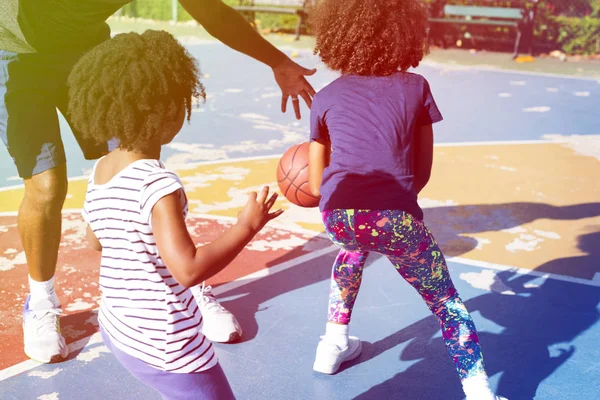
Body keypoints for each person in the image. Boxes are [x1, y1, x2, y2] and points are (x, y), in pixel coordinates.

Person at [0, 0, 315, 363]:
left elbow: (211, 12)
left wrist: (278, 61)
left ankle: (188, 285)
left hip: (84, 51)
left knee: (137, 157)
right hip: (17, 57)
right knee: (46, 186)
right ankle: (41, 301)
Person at [306, 1, 507, 399]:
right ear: (407, 33)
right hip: (394, 215)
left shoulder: (325, 96)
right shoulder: (416, 88)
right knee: (447, 303)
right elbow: (421, 172)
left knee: (352, 249)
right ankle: (480, 391)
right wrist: (392, 207)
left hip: (338, 216)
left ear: (337, 35)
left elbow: (314, 185)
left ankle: (331, 344)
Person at [72, 29, 282, 399]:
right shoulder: (157, 183)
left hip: (120, 327)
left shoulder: (102, 168)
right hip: (167, 342)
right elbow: (189, 270)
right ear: (167, 110)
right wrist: (247, 225)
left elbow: (94, 240)